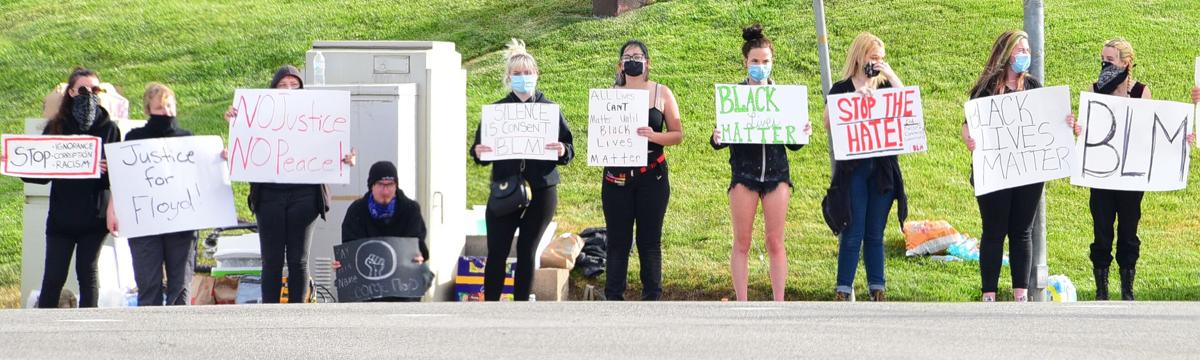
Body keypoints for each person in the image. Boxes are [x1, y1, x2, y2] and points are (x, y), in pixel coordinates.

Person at [960, 30, 1078, 302]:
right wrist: (968, 136)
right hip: (995, 170)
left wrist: (1066, 123)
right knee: (993, 230)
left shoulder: (1033, 87)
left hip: (1028, 172)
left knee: (1022, 231)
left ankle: (1020, 295)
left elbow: (1048, 121)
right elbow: (969, 122)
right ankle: (988, 293)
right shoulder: (986, 88)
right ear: (1005, 53)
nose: (1025, 55)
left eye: (1027, 51)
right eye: (1020, 50)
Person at [224, 65, 357, 304]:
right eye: (282, 85)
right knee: (271, 260)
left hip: (305, 195)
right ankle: (270, 311)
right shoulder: (258, 115)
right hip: (268, 196)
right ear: (272, 90)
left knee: (298, 259)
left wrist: (347, 159)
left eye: (294, 85)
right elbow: (242, 148)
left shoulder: (315, 115)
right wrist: (237, 121)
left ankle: (298, 312)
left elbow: (332, 145)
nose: (288, 90)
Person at [1085, 39, 1195, 301]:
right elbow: (1089, 129)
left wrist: (1181, 138)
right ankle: (1101, 288)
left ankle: (1127, 288)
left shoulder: (1141, 92)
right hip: (1102, 173)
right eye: (1102, 59)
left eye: (1110, 60)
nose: (1104, 64)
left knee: (1128, 230)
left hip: (1131, 175)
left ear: (1126, 62)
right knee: (1101, 230)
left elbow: (1152, 131)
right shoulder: (1094, 90)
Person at [711, 24, 811, 301]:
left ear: (772, 62)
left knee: (775, 241)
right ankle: (742, 301)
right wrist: (717, 136)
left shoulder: (784, 98)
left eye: (765, 61)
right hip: (744, 175)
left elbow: (794, 143)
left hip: (777, 175)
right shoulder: (735, 97)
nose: (760, 66)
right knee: (742, 241)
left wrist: (802, 132)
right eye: (755, 61)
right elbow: (722, 138)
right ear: (745, 62)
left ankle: (779, 301)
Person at [470, 39, 574, 301]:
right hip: (506, 189)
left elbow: (569, 147)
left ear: (536, 75)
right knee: (498, 250)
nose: (523, 78)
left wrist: (562, 149)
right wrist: (479, 152)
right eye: (517, 74)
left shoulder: (550, 111)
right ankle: (491, 305)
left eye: (528, 73)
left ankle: (520, 306)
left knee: (527, 249)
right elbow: (479, 151)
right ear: (508, 77)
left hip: (542, 189)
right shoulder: (496, 112)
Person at [18, 68, 123, 308]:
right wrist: (16, 162)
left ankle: (89, 326)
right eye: (83, 90)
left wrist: (112, 208)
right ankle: (42, 328)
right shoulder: (56, 127)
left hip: (94, 215)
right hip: (61, 216)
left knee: (88, 273)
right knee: (53, 276)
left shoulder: (109, 128)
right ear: (71, 92)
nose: (89, 95)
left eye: (95, 90)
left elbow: (119, 176)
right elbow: (38, 172)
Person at [821, 33, 907, 302]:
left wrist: (891, 76)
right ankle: (843, 288)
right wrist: (855, 98)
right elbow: (827, 121)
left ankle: (877, 287)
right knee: (853, 227)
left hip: (882, 169)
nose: (877, 63)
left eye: (881, 59)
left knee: (875, 232)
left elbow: (907, 106)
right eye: (873, 58)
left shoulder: (886, 88)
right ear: (859, 57)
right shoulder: (842, 88)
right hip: (853, 170)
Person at [603, 40, 684, 301]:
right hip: (616, 177)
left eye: (638, 56)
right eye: (627, 56)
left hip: (652, 175)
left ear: (647, 63)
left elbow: (677, 134)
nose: (633, 60)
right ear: (620, 64)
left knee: (649, 241)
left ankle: (652, 298)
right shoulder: (608, 95)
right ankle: (613, 298)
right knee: (617, 241)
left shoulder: (662, 93)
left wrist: (654, 136)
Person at [107, 83, 198, 306]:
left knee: (181, 286)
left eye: (169, 106)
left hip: (181, 222)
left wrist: (219, 158)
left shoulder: (187, 139)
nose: (165, 112)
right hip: (144, 221)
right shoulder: (134, 139)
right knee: (148, 284)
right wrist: (113, 209)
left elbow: (201, 177)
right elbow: (121, 180)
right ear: (148, 110)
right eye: (159, 108)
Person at [335, 161, 427, 302]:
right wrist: (343, 264)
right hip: (366, 283)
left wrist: (419, 256)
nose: (385, 191)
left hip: (402, 280)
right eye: (380, 185)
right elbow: (349, 245)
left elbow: (418, 243)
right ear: (371, 186)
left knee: (424, 272)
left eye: (389, 185)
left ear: (396, 186)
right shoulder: (357, 210)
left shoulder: (410, 209)